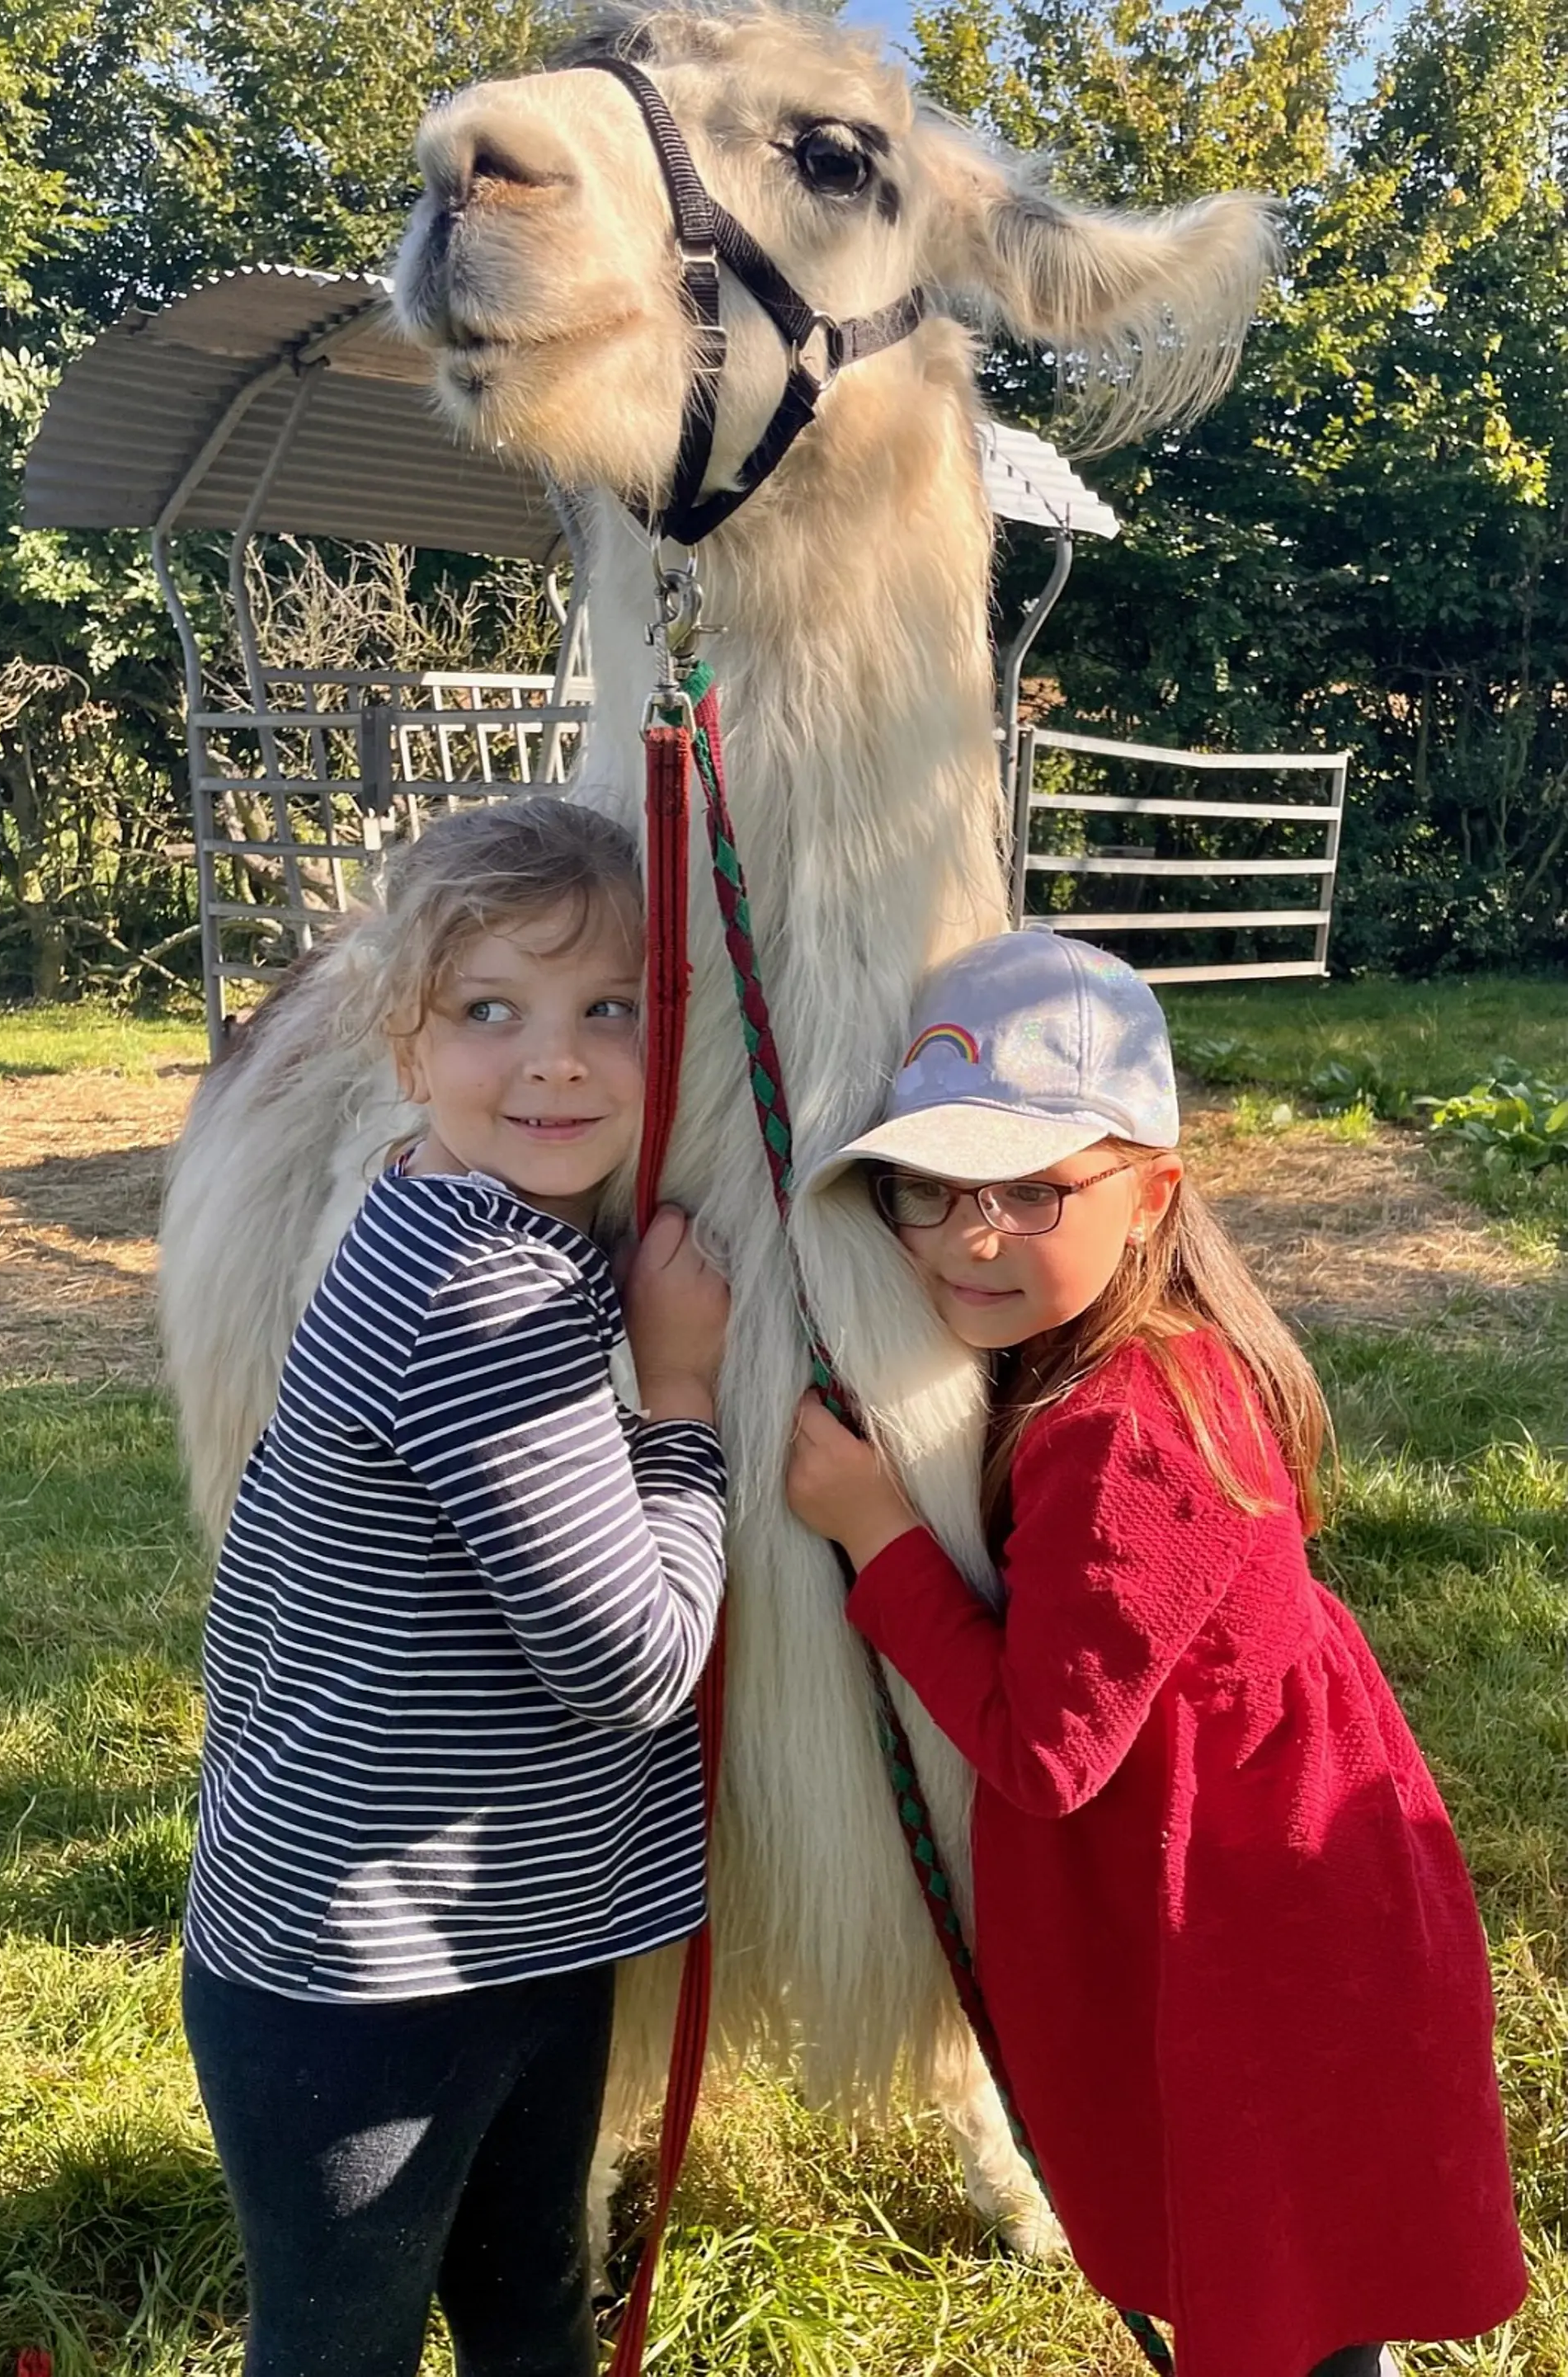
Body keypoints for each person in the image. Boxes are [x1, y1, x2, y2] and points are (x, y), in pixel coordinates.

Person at [785, 930, 1527, 2377]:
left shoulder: (1130, 1431)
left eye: (1034, 1186)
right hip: (1253, 1895)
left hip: (1259, 1938)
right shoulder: (1114, 1359)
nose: (966, 1234)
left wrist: (881, 1534)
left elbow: (1046, 1752)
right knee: (1288, 2270)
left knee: (1280, 2278)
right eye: (924, 1188)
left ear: (1152, 1195)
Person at [181, 798, 730, 2377]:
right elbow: (632, 1661)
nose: (556, 1058)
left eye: (607, 1007)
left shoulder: (471, 1224)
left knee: (531, 2306)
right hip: (369, 1990)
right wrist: (681, 1401)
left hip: (503, 1931)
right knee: (344, 2344)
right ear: (403, 1049)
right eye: (490, 1009)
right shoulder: (479, 1291)